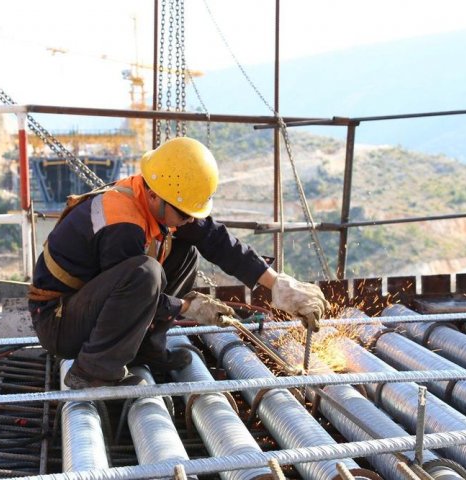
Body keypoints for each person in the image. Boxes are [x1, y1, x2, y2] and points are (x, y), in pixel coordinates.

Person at [28, 137, 330, 389]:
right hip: (59, 321)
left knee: (185, 250)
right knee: (145, 274)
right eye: (184, 214)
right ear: (155, 196)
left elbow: (217, 240)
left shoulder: (156, 197)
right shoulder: (122, 223)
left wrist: (278, 284)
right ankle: (93, 370)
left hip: (88, 309)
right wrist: (187, 308)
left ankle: (145, 347)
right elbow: (129, 295)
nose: (188, 220)